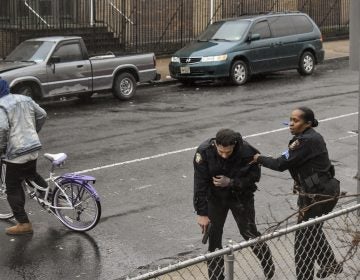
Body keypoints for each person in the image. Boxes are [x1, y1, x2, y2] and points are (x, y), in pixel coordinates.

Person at [252, 107, 342, 280]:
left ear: (307, 123)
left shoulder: (305, 141)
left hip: (318, 195)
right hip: (322, 191)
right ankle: (329, 262)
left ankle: (309, 274)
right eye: (290, 120)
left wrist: (258, 158)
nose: (291, 124)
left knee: (303, 242)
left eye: (296, 120)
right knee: (312, 232)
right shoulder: (307, 137)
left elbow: (280, 164)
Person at [193, 128, 275, 280]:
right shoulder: (204, 152)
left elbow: (254, 178)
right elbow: (200, 184)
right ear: (215, 144)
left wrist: (231, 182)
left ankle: (267, 263)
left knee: (249, 233)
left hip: (240, 197)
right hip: (216, 198)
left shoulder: (247, 152)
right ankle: (216, 277)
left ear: (235, 145)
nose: (224, 155)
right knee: (214, 238)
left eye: (228, 152)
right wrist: (202, 213)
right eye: (221, 151)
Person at [0, 78, 47, 235]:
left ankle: (23, 223)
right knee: (31, 174)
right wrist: (33, 132)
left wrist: (1, 148)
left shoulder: (1, 106)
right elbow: (42, 114)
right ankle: (54, 198)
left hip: (16, 153)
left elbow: (3, 128)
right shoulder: (25, 99)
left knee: (12, 187)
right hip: (33, 147)